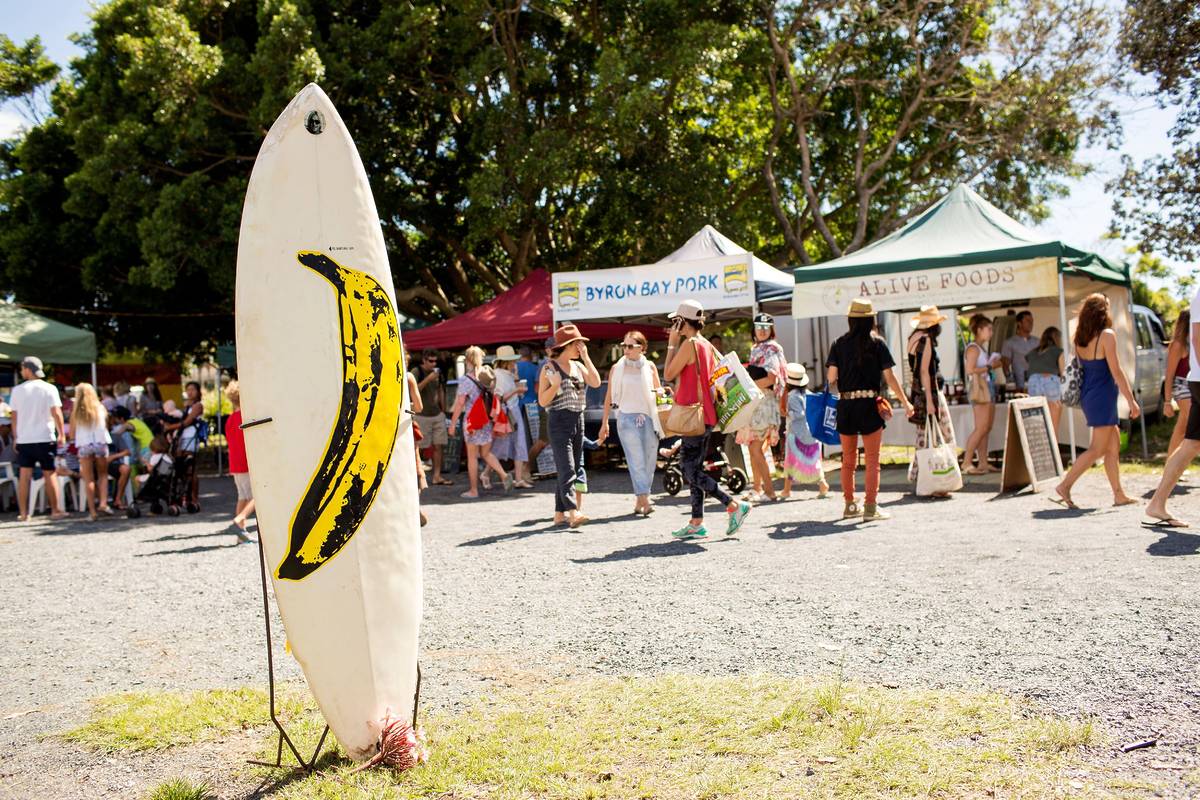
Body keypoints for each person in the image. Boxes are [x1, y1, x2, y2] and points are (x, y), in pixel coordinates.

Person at [662, 300, 751, 540]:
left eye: (675, 321)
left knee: (688, 469)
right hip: (706, 415)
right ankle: (696, 522)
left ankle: (733, 504)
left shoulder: (689, 344)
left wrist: (671, 345)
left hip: (693, 415)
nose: (673, 326)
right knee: (695, 467)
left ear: (682, 321)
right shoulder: (707, 346)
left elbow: (668, 374)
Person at [825, 298, 913, 521]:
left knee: (848, 460)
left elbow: (831, 378)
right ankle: (871, 508)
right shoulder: (878, 344)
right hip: (869, 405)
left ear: (850, 320)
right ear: (871, 319)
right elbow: (890, 378)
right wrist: (905, 402)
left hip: (846, 405)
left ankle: (849, 505)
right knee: (873, 460)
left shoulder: (838, 343)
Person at [1053, 294, 1140, 509]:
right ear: (1103, 312)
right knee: (1097, 449)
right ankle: (1064, 486)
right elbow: (1116, 372)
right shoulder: (1107, 336)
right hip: (1102, 397)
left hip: (1091, 396)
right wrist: (1132, 401)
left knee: (1113, 447)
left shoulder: (1080, 338)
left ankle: (1119, 495)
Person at [1145, 291, 1200, 527]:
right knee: (1189, 440)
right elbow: (1198, 338)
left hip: (1195, 381)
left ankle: (1156, 503)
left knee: (1191, 442)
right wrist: (1167, 400)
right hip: (1194, 382)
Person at [537, 325, 600, 527]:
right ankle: (573, 512)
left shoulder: (578, 366)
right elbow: (542, 401)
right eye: (578, 343)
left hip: (578, 419)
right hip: (559, 421)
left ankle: (558, 514)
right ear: (567, 345)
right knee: (568, 468)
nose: (581, 346)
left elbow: (596, 382)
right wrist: (554, 385)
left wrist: (586, 358)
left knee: (569, 467)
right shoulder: (549, 368)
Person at [598, 330, 664, 516]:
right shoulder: (617, 368)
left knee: (650, 461)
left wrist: (663, 394)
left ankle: (639, 501)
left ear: (641, 348)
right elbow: (609, 397)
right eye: (623, 345)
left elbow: (659, 392)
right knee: (635, 461)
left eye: (629, 346)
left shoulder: (650, 367)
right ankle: (645, 499)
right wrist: (604, 423)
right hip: (626, 417)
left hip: (649, 418)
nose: (625, 349)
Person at [449, 346, 512, 499]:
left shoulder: (466, 379)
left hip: (473, 421)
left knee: (472, 457)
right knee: (486, 453)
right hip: (487, 420)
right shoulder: (486, 376)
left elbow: (460, 403)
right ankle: (504, 475)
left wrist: (452, 424)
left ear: (467, 360)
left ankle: (473, 490)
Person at [905, 306, 956, 494]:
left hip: (917, 393)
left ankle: (920, 477)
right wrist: (930, 401)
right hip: (929, 394)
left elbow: (916, 371)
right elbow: (925, 372)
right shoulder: (926, 340)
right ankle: (937, 479)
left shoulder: (913, 338)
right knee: (941, 436)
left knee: (923, 438)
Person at [10, 357, 65, 520]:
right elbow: (57, 413)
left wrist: (15, 437)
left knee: (24, 476)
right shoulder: (49, 388)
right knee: (50, 474)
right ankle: (55, 510)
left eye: (22, 369)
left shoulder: (18, 390)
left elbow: (14, 417)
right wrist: (61, 433)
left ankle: (23, 513)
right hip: (45, 437)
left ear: (27, 369)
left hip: (25, 439)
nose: (21, 372)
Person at [961, 314, 1002, 475]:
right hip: (980, 389)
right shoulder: (973, 348)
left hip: (987, 387)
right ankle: (966, 462)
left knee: (986, 428)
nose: (991, 333)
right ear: (979, 330)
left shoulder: (980, 348)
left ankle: (983, 463)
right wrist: (990, 367)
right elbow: (970, 370)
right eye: (989, 329)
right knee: (981, 428)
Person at [780, 363, 828, 500]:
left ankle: (786, 490)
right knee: (813, 461)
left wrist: (787, 413)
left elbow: (799, 414)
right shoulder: (808, 394)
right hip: (812, 432)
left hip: (797, 434)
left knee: (790, 461)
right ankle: (822, 484)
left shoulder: (793, 396)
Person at [491, 345, 533, 488]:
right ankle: (486, 474)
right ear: (506, 361)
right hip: (507, 413)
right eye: (513, 361)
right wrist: (517, 390)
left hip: (512, 411)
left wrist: (517, 382)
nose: (515, 363)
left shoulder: (507, 374)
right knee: (502, 445)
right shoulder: (498, 375)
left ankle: (518, 478)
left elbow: (514, 394)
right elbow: (499, 398)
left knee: (517, 443)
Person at [739, 365, 782, 502]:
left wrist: (748, 384)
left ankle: (769, 491)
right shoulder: (761, 353)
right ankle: (757, 488)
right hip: (759, 404)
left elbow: (772, 379)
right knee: (753, 449)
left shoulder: (770, 353)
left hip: (763, 405)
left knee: (755, 449)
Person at [71, 383, 112, 520]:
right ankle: (103, 503)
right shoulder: (100, 408)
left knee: (88, 479)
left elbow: (71, 433)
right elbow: (106, 426)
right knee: (103, 475)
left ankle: (92, 512)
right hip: (100, 442)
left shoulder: (76, 411)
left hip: (84, 444)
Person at [411, 349, 451, 486]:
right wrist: (428, 379)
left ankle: (437, 476)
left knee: (438, 446)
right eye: (430, 361)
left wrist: (444, 410)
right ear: (424, 360)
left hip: (437, 414)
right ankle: (417, 478)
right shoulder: (416, 372)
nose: (433, 364)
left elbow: (440, 390)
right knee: (419, 448)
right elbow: (414, 390)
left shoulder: (438, 373)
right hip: (422, 415)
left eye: (435, 361)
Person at [223, 381, 255, 543]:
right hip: (246, 462)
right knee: (256, 496)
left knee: (242, 496)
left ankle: (240, 534)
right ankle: (239, 520)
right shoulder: (246, 417)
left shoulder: (230, 419)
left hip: (235, 464)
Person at [164, 381, 205, 506]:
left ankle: (194, 498)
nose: (190, 392)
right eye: (188, 389)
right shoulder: (187, 405)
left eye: (192, 389)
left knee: (190, 469)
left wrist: (170, 427)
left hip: (191, 438)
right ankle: (184, 496)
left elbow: (187, 422)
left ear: (198, 391)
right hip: (182, 439)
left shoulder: (198, 406)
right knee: (181, 468)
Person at [1163, 310, 1193, 461]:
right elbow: (1169, 376)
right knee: (1196, 424)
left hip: (1192, 386)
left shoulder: (1192, 343)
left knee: (1181, 429)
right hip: (1181, 387)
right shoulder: (1177, 345)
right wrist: (1167, 402)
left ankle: (1170, 464)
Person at [1026, 326, 1065, 433]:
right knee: (1053, 428)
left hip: (1033, 382)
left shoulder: (1032, 353)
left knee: (1039, 426)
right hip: (1050, 381)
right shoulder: (1058, 351)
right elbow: (1063, 374)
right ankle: (1054, 449)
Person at [1000, 310, 1038, 391]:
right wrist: (1010, 381)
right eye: (1027, 321)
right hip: (1020, 385)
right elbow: (1005, 363)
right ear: (1019, 323)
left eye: (1032, 321)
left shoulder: (1037, 342)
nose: (1031, 323)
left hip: (1037, 384)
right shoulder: (1009, 343)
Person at [106, 410, 134, 511]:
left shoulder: (115, 437)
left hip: (112, 464)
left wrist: (113, 457)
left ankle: (118, 499)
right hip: (96, 464)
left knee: (125, 469)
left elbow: (127, 451)